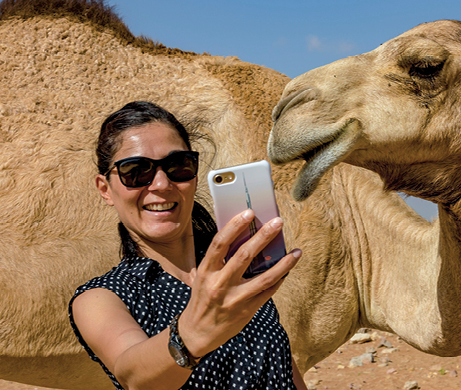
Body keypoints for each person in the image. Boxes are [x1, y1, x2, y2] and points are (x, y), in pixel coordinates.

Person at [69, 101, 306, 390]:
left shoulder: (236, 271)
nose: (161, 184)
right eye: (135, 171)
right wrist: (193, 333)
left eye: (177, 165)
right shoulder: (101, 298)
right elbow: (134, 376)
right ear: (105, 189)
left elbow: (282, 368)